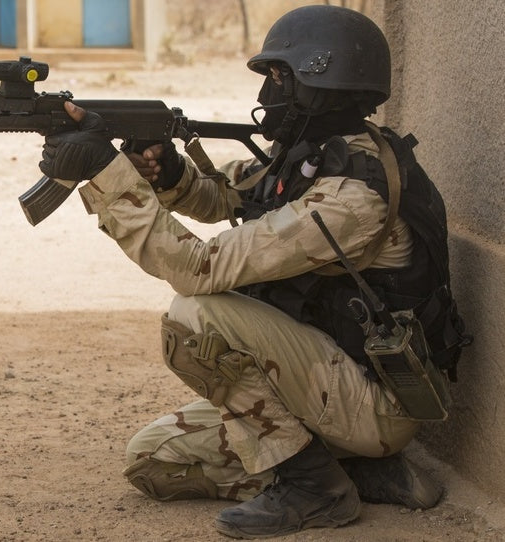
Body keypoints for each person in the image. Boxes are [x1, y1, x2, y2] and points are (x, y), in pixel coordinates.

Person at [37, 5, 470, 539]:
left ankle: (315, 489)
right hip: (324, 386)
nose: (268, 93)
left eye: (279, 77)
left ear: (322, 84)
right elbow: (228, 195)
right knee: (154, 462)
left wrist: (105, 175)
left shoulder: (350, 198)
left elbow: (197, 268)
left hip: (375, 403)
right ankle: (357, 470)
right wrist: (169, 172)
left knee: (196, 317)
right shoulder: (315, 158)